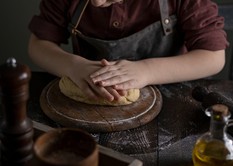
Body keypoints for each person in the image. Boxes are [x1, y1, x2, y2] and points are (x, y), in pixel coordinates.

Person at [28, 0, 228, 103]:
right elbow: (38, 45)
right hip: (90, 103)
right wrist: (73, 66)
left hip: (172, 100)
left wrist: (147, 70)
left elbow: (213, 57)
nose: (96, 2)